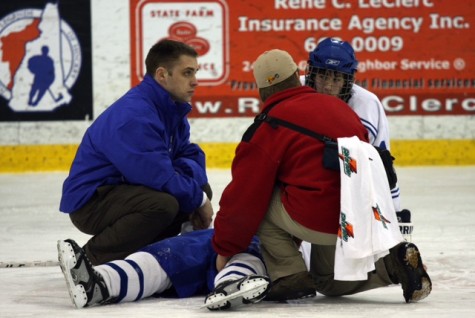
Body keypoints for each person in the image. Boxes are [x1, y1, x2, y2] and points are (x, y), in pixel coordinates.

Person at [211, 49, 431, 303]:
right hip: (356, 216)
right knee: (328, 281)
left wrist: (225, 249)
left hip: (315, 218)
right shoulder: (341, 108)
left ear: (260, 90)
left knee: (259, 200)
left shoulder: (268, 125)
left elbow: (242, 198)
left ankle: (290, 275)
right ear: (298, 75)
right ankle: (392, 267)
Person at [59, 39, 213, 266]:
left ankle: (150, 256)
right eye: (187, 73)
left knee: (194, 189)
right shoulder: (135, 115)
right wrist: (198, 200)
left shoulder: (170, 109)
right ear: (162, 75)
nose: (195, 81)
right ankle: (86, 261)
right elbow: (158, 176)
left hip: (125, 190)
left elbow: (189, 154)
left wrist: (198, 194)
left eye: (195, 73)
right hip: (92, 201)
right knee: (164, 204)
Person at [303, 37, 413, 241]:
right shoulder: (295, 93)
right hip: (302, 193)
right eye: (322, 76)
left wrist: (395, 215)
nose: (327, 85)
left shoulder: (367, 105)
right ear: (312, 74)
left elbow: (383, 168)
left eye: (336, 79)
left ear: (348, 80)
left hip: (348, 195)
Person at [57, 229, 270, 310]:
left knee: (252, 251)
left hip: (263, 239)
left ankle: (231, 284)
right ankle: (100, 282)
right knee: (167, 255)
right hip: (217, 234)